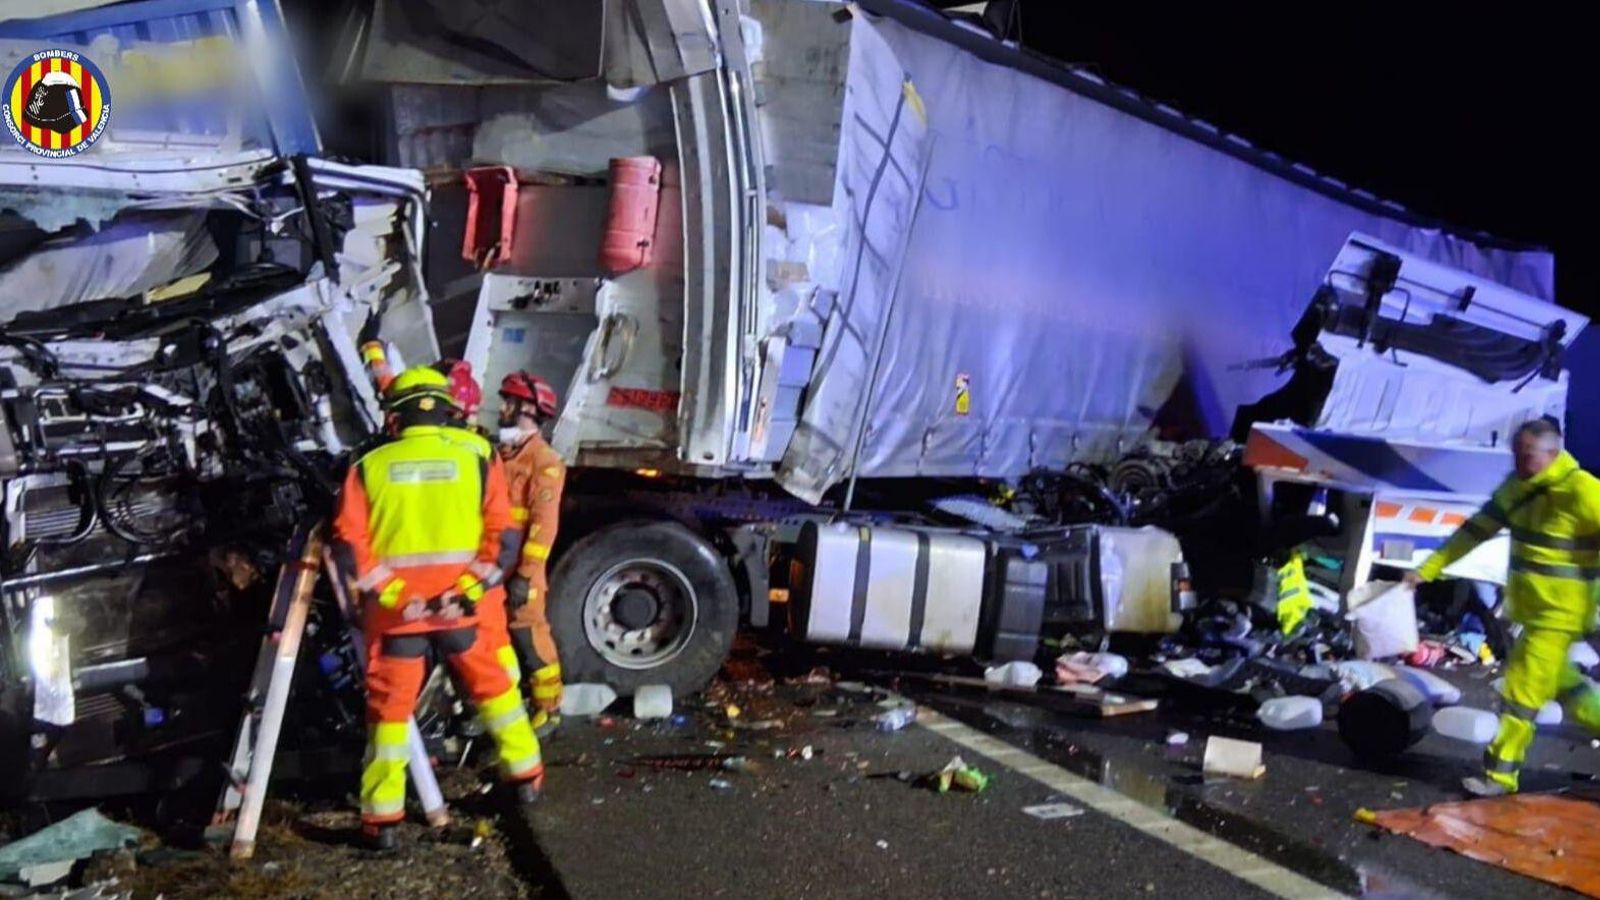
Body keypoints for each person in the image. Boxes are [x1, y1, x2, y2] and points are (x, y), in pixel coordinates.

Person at [333, 367, 543, 849]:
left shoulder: (368, 466)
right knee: (494, 690)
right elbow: (502, 539)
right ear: (447, 407)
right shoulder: (476, 456)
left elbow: (350, 546)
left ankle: (382, 822)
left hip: (397, 618)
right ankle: (526, 775)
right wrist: (466, 593)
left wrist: (395, 597)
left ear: (395, 415)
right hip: (460, 613)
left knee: (389, 714)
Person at [1405, 418, 1600, 796]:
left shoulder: (1582, 492)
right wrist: (1425, 571)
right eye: (1516, 454)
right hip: (1533, 613)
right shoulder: (1518, 488)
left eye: (1527, 456)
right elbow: (1475, 530)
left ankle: (1499, 776)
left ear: (1553, 453)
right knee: (1572, 692)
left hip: (1559, 617)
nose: (1519, 463)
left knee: (1519, 698)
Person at [496, 372, 567, 734]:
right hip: (495, 565)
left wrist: (525, 575)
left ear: (528, 408)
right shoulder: (503, 454)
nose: (501, 409)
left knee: (529, 634)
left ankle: (548, 707)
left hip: (523, 568)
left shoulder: (544, 461)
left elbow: (543, 525)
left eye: (508, 402)